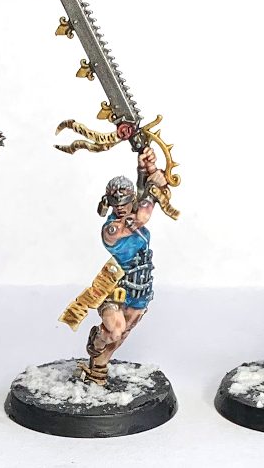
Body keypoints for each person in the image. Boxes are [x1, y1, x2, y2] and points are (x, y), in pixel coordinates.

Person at [79, 147, 167, 385]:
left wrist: (145, 167)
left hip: (141, 286)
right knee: (114, 330)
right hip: (117, 285)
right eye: (114, 202)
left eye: (125, 201)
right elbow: (142, 216)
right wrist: (153, 187)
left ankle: (98, 368)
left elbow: (142, 197)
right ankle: (96, 342)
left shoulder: (133, 211)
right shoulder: (112, 229)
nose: (119, 206)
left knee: (123, 332)